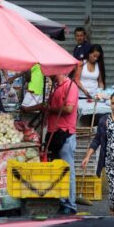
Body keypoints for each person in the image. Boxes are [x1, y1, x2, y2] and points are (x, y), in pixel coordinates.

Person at [45, 74, 79, 215]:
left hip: (65, 133)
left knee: (67, 170)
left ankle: (70, 204)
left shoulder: (70, 86)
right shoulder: (56, 87)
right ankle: (62, 200)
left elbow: (68, 109)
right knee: (59, 171)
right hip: (54, 132)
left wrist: (50, 108)